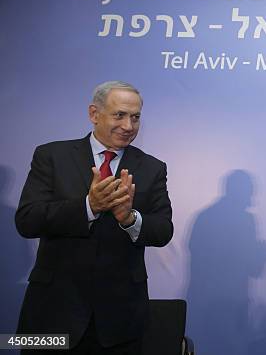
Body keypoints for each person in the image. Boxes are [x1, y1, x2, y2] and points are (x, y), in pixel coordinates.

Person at [15, 81, 173, 354]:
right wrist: (88, 207)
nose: (129, 126)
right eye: (119, 115)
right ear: (94, 113)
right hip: (51, 315)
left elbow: (162, 230)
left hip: (120, 322)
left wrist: (130, 219)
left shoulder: (152, 168)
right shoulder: (51, 155)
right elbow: (27, 220)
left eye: (135, 117)